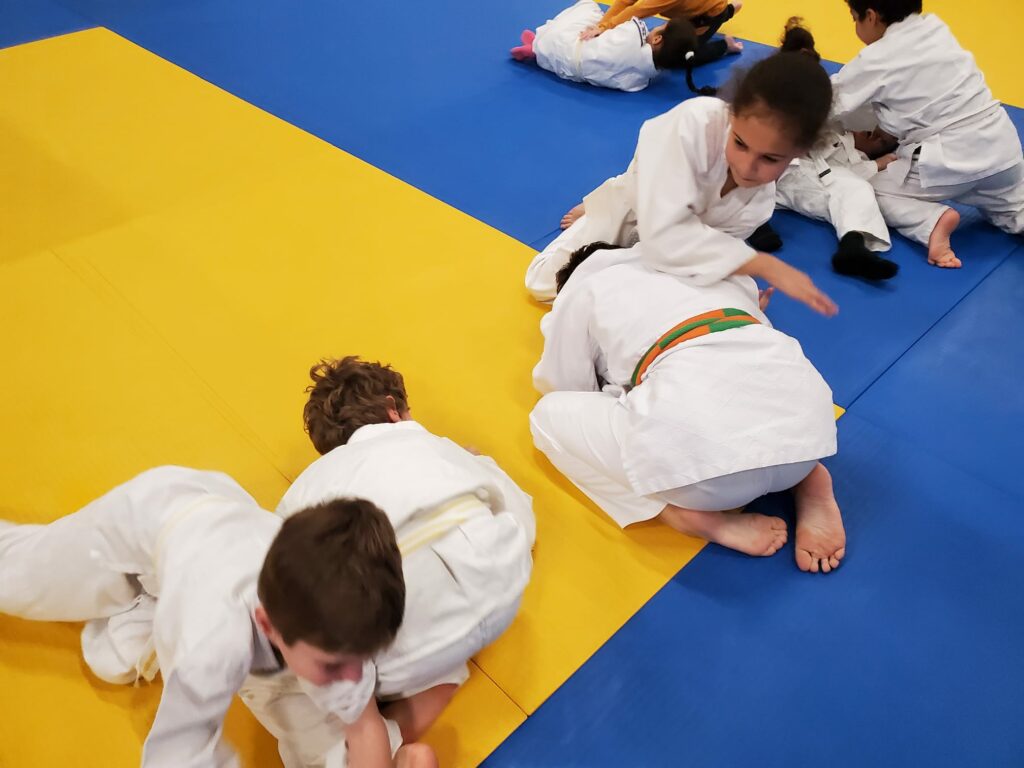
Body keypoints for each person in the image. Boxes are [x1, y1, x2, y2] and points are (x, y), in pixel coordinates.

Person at [0, 466, 436, 767]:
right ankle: (146, 598)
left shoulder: (336, 628)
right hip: (162, 514)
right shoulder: (209, 647)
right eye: (334, 665)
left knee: (326, 739)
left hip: (232, 525)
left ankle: (149, 605)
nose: (353, 676)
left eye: (360, 659)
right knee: (20, 578)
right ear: (267, 625)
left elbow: (363, 727)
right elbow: (178, 754)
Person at [531, 242, 845, 573]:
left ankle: (673, 512)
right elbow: (749, 293)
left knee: (545, 417)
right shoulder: (699, 260)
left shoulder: (583, 291)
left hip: (704, 483)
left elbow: (564, 382)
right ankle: (806, 477)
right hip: (810, 433)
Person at [275, 356, 536, 752]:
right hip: (505, 591)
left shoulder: (306, 491)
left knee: (288, 638)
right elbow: (523, 520)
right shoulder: (434, 446)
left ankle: (366, 743)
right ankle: (443, 665)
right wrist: (476, 464)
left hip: (402, 656)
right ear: (394, 410)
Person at [526, 51, 839, 319]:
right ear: (732, 113)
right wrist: (760, 264)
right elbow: (662, 235)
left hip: (672, 247)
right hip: (640, 204)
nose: (747, 167)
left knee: (694, 300)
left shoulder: (757, 207)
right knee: (544, 285)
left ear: (800, 153)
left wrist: (734, 302)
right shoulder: (696, 123)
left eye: (770, 158)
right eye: (740, 143)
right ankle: (606, 200)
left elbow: (694, 261)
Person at [832, 0, 1024, 268]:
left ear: (871, 16)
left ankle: (931, 223)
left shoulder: (876, 58)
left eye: (855, 18)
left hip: (952, 161)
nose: (855, 26)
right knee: (1016, 211)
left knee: (863, 189)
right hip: (1004, 150)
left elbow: (826, 100)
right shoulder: (935, 28)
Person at [774, 18, 899, 280]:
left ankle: (852, 247)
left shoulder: (850, 144)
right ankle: (756, 224)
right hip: (780, 169)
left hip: (804, 170)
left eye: (879, 140)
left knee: (856, 190)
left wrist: (877, 162)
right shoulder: (786, 97)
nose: (875, 135)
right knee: (848, 192)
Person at [510, 3, 715, 94]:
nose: (654, 26)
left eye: (660, 27)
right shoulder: (642, 81)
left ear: (657, 39)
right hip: (566, 70)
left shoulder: (632, 35)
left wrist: (602, 27)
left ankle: (537, 44)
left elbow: (631, 14)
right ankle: (536, 48)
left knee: (590, 9)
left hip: (563, 48)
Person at [580, 0, 745, 70]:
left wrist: (605, 27)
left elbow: (639, 10)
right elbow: (626, 2)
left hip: (704, 17)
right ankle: (729, 10)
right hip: (687, 11)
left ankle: (726, 44)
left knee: (680, 57)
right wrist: (601, 26)